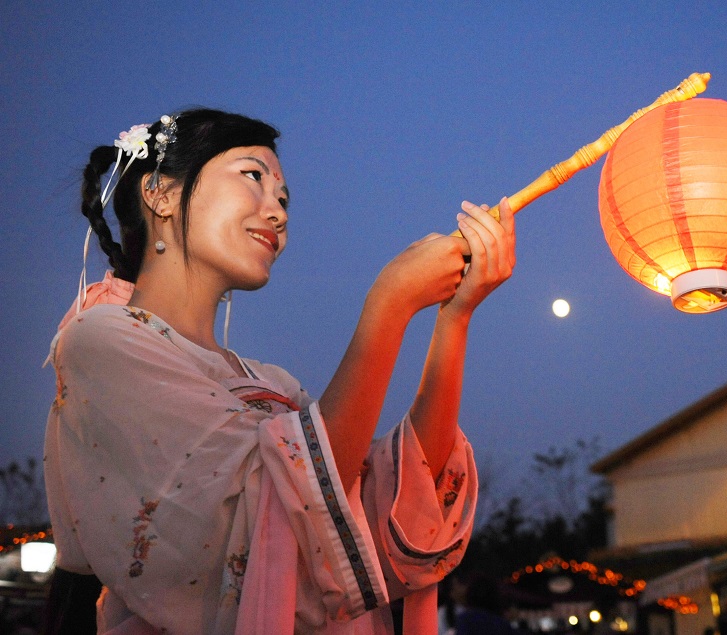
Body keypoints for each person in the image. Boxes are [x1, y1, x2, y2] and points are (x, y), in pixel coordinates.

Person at [43, 109, 516, 634]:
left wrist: (454, 318)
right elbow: (269, 516)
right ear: (161, 194)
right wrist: (389, 305)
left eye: (284, 199)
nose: (278, 213)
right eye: (253, 177)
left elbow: (371, 516)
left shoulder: (275, 385)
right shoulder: (101, 339)